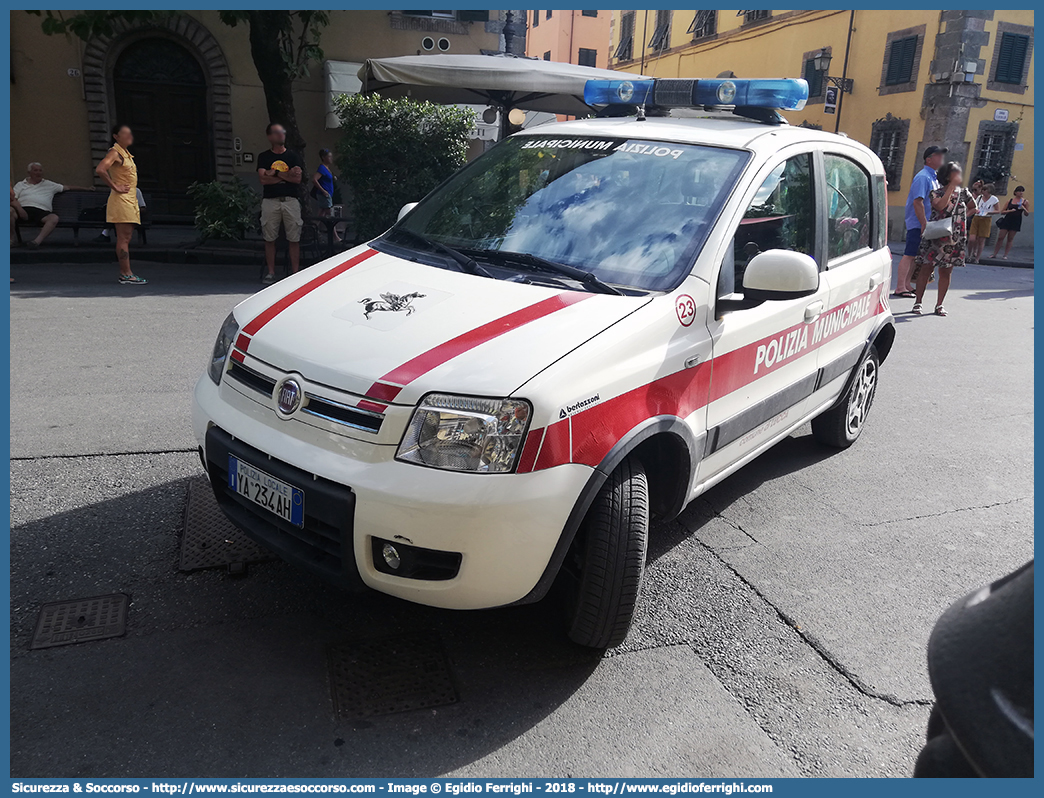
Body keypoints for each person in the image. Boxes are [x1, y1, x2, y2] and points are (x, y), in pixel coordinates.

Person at [912, 161, 975, 317]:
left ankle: (939, 305)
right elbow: (940, 206)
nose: (959, 176)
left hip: (954, 237)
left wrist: (961, 219)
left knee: (946, 272)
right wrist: (951, 189)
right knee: (926, 268)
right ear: (947, 176)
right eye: (956, 173)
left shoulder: (965, 193)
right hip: (936, 236)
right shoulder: (936, 192)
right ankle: (918, 302)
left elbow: (973, 207)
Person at [95, 124, 147, 285]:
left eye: (129, 133)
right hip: (122, 200)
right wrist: (115, 186)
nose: (129, 136)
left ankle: (126, 272)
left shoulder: (125, 154)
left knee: (126, 237)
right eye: (125, 133)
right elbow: (101, 169)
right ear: (116, 136)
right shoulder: (115, 152)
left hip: (129, 200)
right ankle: (126, 273)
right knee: (123, 238)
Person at [895, 146, 947, 298]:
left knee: (915, 256)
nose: (942, 158)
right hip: (919, 223)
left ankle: (906, 285)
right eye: (938, 155)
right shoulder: (924, 177)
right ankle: (899, 287)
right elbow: (918, 202)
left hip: (926, 223)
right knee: (909, 254)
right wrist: (923, 222)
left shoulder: (933, 177)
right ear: (928, 159)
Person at [257, 123, 304, 284]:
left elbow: (297, 179)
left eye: (282, 132)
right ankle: (271, 272)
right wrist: (286, 174)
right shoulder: (264, 157)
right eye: (277, 133)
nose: (281, 135)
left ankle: (295, 273)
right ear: (270, 137)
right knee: (269, 238)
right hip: (270, 201)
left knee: (294, 238)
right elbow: (263, 179)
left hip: (291, 200)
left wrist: (275, 173)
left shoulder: (293, 156)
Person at [12, 162, 94, 247]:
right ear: (29, 173)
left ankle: (35, 242)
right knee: (9, 212)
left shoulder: (49, 184)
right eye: (35, 170)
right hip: (23, 209)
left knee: (54, 218)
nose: (38, 173)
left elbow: (67, 187)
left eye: (40, 170)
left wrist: (86, 188)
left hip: (41, 211)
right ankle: (10, 240)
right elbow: (12, 199)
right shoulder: (21, 184)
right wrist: (20, 209)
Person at [991, 185, 1031, 260]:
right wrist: (1010, 211)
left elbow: (1027, 214)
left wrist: (1024, 209)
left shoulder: (1025, 201)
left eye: (1022, 191)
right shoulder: (1010, 201)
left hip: (1016, 220)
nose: (1021, 193)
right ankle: (994, 253)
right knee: (1001, 237)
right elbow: (1002, 212)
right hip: (1008, 219)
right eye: (1019, 191)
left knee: (1010, 238)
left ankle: (1005, 255)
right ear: (1015, 192)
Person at [311, 148, 340, 243]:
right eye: (329, 157)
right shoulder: (322, 168)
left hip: (328, 194)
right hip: (325, 195)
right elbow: (314, 180)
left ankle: (313, 231)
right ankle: (335, 237)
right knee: (330, 215)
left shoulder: (327, 168)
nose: (331, 158)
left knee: (321, 215)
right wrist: (323, 191)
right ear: (323, 158)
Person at [967, 182, 999, 264]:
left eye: (985, 189)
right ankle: (969, 255)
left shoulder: (994, 199)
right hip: (977, 218)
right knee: (972, 239)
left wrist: (989, 212)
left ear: (989, 191)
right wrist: (975, 210)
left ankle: (977, 258)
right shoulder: (979, 198)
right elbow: (974, 206)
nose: (983, 191)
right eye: (983, 189)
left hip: (986, 219)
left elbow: (998, 210)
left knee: (981, 240)